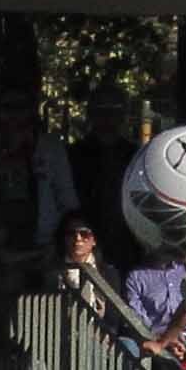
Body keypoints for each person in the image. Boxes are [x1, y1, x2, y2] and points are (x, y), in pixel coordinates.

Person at [0, 86, 78, 291]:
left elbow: (69, 204)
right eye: (8, 108)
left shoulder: (51, 149)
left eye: (21, 108)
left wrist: (58, 249)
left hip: (46, 255)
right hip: (3, 257)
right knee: (4, 318)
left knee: (45, 316)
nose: (14, 117)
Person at [67, 84, 137, 278]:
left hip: (126, 246)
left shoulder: (135, 156)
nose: (107, 118)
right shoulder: (74, 155)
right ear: (91, 114)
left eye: (114, 111)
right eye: (101, 111)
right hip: (82, 243)